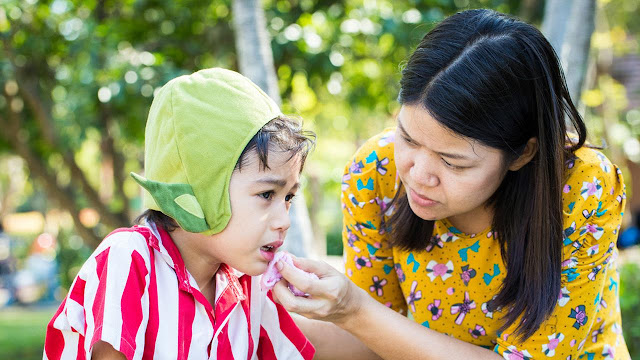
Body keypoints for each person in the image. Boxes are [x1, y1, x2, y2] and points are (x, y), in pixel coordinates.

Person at [272, 9, 630, 360]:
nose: (417, 173)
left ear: (523, 154)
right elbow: (373, 341)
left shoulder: (582, 187)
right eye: (408, 139)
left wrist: (354, 310)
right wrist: (253, 309)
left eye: (452, 161)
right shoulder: (376, 172)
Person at [43, 68, 316, 360]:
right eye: (266, 195)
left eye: (288, 197)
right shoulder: (130, 259)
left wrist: (348, 305)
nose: (284, 221)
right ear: (200, 189)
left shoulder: (248, 284)